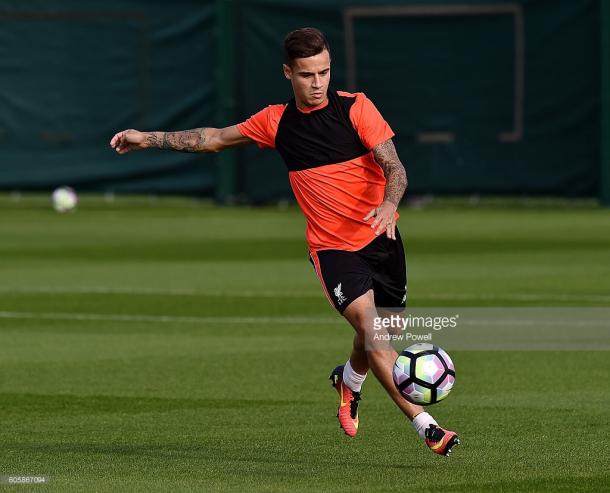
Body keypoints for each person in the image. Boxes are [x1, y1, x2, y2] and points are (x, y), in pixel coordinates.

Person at [110, 27, 459, 456]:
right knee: (374, 334)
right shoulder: (276, 122)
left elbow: (395, 166)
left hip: (383, 240)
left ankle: (348, 381)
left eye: (325, 72)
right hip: (332, 249)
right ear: (287, 73)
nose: (318, 83)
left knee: (378, 335)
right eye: (308, 75)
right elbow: (213, 138)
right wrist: (146, 138)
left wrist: (389, 204)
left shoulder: (357, 109)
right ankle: (428, 427)